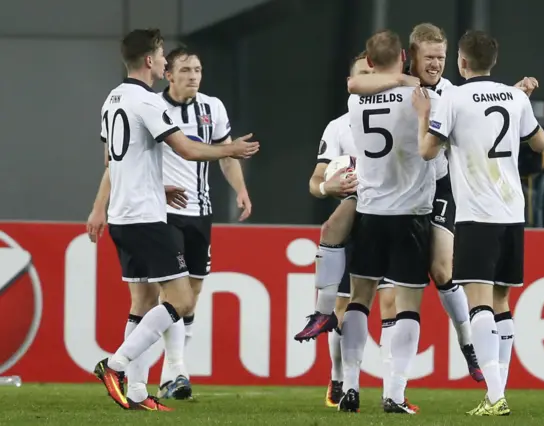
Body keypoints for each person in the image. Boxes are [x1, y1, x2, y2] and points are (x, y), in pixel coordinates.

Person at [346, 22, 538, 382]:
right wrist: (405, 81)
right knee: (399, 294)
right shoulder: (398, 85)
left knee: (442, 268)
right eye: (429, 57)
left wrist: (515, 91)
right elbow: (356, 83)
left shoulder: (450, 91)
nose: (435, 64)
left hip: (440, 187)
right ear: (411, 56)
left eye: (441, 57)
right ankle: (373, 382)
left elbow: (484, 105)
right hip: (401, 195)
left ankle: (468, 342)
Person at [88, 28, 259, 411]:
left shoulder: (112, 99)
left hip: (124, 214)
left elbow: (113, 161)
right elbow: (185, 149)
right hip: (148, 219)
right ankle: (114, 364)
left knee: (144, 301)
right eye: (163, 55)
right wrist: (230, 148)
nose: (165, 61)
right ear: (150, 61)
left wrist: (153, 185)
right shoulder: (148, 102)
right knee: (180, 300)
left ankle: (135, 393)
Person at [415, 30, 544, 416]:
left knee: (479, 304)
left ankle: (494, 396)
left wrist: (425, 118)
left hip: (476, 213)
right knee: (503, 300)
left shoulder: (452, 98)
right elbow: (538, 145)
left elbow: (427, 151)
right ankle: (498, 391)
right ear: (494, 61)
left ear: (461, 62)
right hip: (513, 212)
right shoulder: (515, 97)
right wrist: (520, 103)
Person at [296, 51, 416, 412]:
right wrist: (327, 189)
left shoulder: (404, 111)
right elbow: (316, 182)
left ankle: (393, 391)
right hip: (356, 221)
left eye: (372, 71)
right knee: (347, 306)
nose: (369, 78)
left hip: (395, 215)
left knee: (392, 302)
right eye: (361, 74)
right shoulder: (338, 127)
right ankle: (343, 380)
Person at [340, 29, 438, 415]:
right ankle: (394, 393)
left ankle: (349, 386)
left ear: (368, 60)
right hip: (411, 214)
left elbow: (356, 83)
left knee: (359, 300)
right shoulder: (420, 97)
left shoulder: (354, 103)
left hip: (370, 212)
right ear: (403, 54)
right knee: (408, 304)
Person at [155, 46, 252, 400]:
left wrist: (240, 190)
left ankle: (170, 373)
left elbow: (226, 154)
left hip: (201, 211)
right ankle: (176, 370)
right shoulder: (154, 108)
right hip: (164, 213)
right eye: (185, 70)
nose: (193, 76)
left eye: (197, 69)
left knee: (191, 298)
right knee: (173, 292)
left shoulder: (213, 107)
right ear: (169, 74)